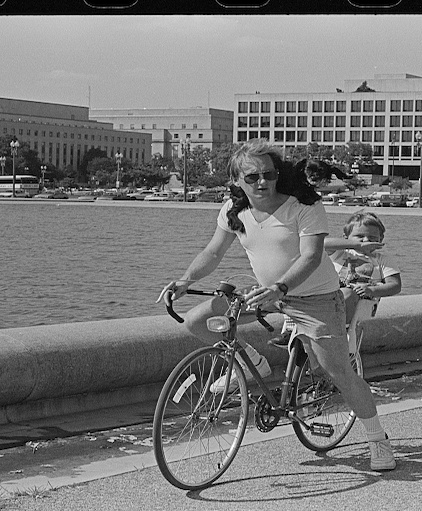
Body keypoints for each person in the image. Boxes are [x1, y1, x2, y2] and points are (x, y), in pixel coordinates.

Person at [157, 139, 396, 472]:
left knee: (337, 371)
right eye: (251, 177)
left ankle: (378, 440)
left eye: (268, 174)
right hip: (266, 293)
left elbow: (312, 257)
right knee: (196, 321)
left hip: (315, 299)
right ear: (236, 179)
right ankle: (250, 359)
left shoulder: (303, 206)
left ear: (277, 173)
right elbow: (213, 252)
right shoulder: (232, 210)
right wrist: (185, 281)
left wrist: (279, 288)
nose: (262, 182)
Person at [270, 211, 401, 346]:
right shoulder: (341, 251)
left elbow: (395, 285)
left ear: (381, 239)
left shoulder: (381, 258)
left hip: (362, 299)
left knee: (347, 293)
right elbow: (323, 243)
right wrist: (355, 245)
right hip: (329, 292)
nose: (366, 241)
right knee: (298, 283)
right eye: (360, 237)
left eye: (372, 238)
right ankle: (292, 329)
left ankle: (339, 332)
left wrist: (372, 290)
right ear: (346, 238)